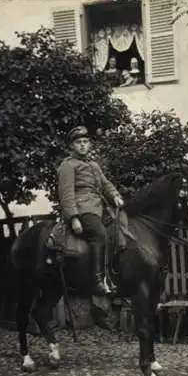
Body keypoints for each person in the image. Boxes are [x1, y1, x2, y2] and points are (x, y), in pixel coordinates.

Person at [57, 126, 124, 295]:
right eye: (78, 142)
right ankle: (97, 281)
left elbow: (105, 183)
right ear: (72, 146)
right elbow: (66, 193)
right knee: (99, 233)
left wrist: (115, 195)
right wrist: (73, 217)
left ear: (90, 144)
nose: (82, 145)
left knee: (119, 230)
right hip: (82, 209)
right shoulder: (68, 166)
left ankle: (114, 276)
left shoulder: (94, 165)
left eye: (85, 142)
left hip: (99, 208)